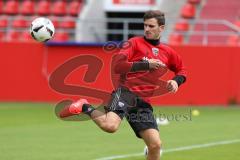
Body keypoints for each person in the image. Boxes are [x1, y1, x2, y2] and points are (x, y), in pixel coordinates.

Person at [59, 10, 187, 160]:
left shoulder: (168, 52)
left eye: (151, 26)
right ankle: (84, 106)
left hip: (143, 103)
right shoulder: (134, 43)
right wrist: (145, 64)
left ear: (161, 28)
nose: (147, 29)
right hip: (126, 93)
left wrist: (175, 81)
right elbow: (118, 66)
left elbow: (182, 70)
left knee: (155, 145)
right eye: (145, 25)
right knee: (110, 127)